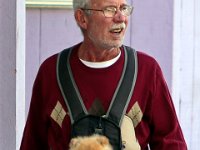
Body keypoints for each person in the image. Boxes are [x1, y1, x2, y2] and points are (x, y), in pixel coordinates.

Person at [20, 0, 187, 149]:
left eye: (123, 8)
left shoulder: (147, 70)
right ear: (82, 18)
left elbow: (171, 143)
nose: (121, 18)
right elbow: (32, 143)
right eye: (110, 9)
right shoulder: (51, 72)